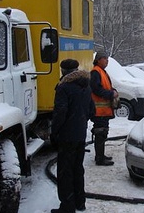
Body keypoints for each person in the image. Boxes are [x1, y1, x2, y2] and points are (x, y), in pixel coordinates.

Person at [51, 59, 95, 213]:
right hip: (80, 135)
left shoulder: (64, 87)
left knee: (65, 173)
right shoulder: (85, 85)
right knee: (77, 169)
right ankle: (79, 202)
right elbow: (92, 111)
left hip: (66, 136)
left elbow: (60, 113)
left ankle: (67, 207)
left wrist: (54, 131)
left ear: (63, 71)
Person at [90, 52, 118, 166]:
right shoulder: (96, 72)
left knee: (103, 133)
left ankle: (100, 155)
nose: (107, 61)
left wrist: (113, 91)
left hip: (103, 111)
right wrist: (111, 94)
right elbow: (96, 89)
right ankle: (99, 159)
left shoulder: (101, 72)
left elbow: (105, 87)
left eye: (107, 59)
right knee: (100, 133)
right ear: (98, 60)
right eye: (104, 59)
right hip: (98, 111)